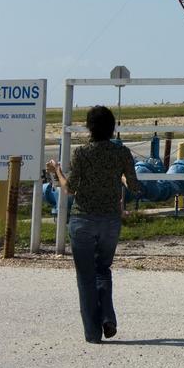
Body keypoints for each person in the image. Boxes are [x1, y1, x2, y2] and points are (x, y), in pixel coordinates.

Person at [45, 106, 140, 343]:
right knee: (103, 270)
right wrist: (118, 177)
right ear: (112, 127)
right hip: (110, 220)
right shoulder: (122, 153)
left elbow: (70, 189)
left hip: (83, 218)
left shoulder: (82, 153)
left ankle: (92, 333)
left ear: (89, 127)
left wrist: (56, 171)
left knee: (86, 277)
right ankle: (108, 317)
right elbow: (134, 186)